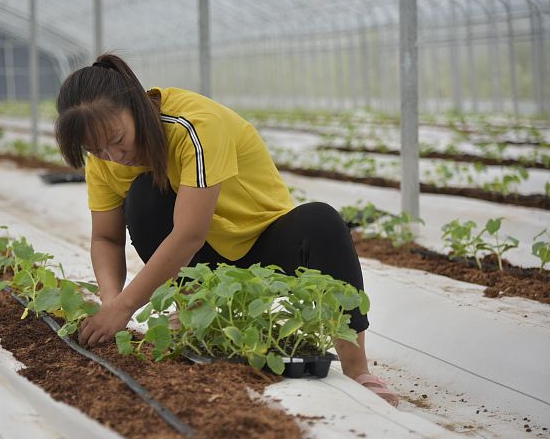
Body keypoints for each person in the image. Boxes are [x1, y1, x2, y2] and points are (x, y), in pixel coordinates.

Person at [54, 54, 399, 407]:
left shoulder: (194, 124)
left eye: (117, 138)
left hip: (263, 244)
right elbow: (106, 238)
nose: (114, 155)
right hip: (206, 264)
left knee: (322, 222)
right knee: (145, 195)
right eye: (96, 149)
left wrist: (126, 306)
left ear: (137, 104)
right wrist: (111, 301)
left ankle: (358, 371)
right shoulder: (104, 161)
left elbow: (190, 233)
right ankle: (196, 314)